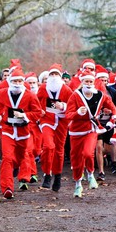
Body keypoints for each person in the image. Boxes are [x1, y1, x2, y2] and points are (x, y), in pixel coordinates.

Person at [66, 70, 116, 197]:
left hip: (91, 129)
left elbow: (111, 105)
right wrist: (78, 112)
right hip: (76, 131)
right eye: (86, 81)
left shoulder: (100, 95)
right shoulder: (75, 96)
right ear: (82, 82)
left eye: (91, 81)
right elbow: (68, 115)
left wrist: (115, 114)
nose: (89, 83)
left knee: (88, 153)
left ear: (94, 82)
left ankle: (90, 174)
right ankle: (78, 184)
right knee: (77, 159)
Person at [0, 68, 43, 198]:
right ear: (10, 81)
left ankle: (18, 170)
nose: (17, 83)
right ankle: (7, 188)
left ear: (23, 82)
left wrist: (24, 115)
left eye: (20, 81)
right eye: (15, 81)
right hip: (8, 130)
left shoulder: (30, 95)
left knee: (20, 157)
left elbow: (37, 112)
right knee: (7, 158)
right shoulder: (3, 93)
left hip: (23, 131)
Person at [37, 63, 73, 191]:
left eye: (56, 74)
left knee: (59, 151)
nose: (53, 76)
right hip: (47, 121)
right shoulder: (42, 88)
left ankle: (57, 176)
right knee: (48, 146)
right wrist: (39, 111)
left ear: (60, 76)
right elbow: (36, 102)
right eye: (51, 74)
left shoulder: (66, 90)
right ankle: (47, 173)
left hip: (61, 123)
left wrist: (63, 106)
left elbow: (73, 105)